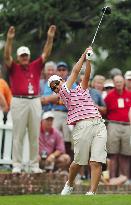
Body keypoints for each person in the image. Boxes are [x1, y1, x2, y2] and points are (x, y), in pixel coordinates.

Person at [48, 47, 107, 195]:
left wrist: (89, 60)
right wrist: (82, 57)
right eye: (53, 87)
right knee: (78, 162)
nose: (56, 87)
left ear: (61, 80)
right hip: (82, 126)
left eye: (56, 83)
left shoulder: (82, 89)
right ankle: (69, 183)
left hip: (99, 124)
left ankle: (91, 193)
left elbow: (86, 76)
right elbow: (75, 72)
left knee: (96, 161)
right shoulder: (63, 93)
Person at [4, 25, 56, 173]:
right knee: (18, 134)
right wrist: (9, 40)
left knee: (34, 134)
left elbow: (46, 52)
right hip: (19, 100)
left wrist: (50, 38)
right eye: (22, 56)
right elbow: (7, 56)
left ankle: (34, 165)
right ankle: (17, 165)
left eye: (26, 55)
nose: (25, 57)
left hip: (34, 100)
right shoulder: (14, 67)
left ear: (28, 56)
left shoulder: (35, 65)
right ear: (19, 58)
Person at [104, 75, 131, 179]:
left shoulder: (129, 94)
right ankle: (112, 178)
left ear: (124, 82)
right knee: (113, 154)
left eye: (120, 82)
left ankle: (126, 179)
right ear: (114, 83)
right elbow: (105, 111)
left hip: (127, 126)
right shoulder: (109, 96)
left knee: (126, 154)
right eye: (117, 82)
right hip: (113, 124)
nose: (119, 84)